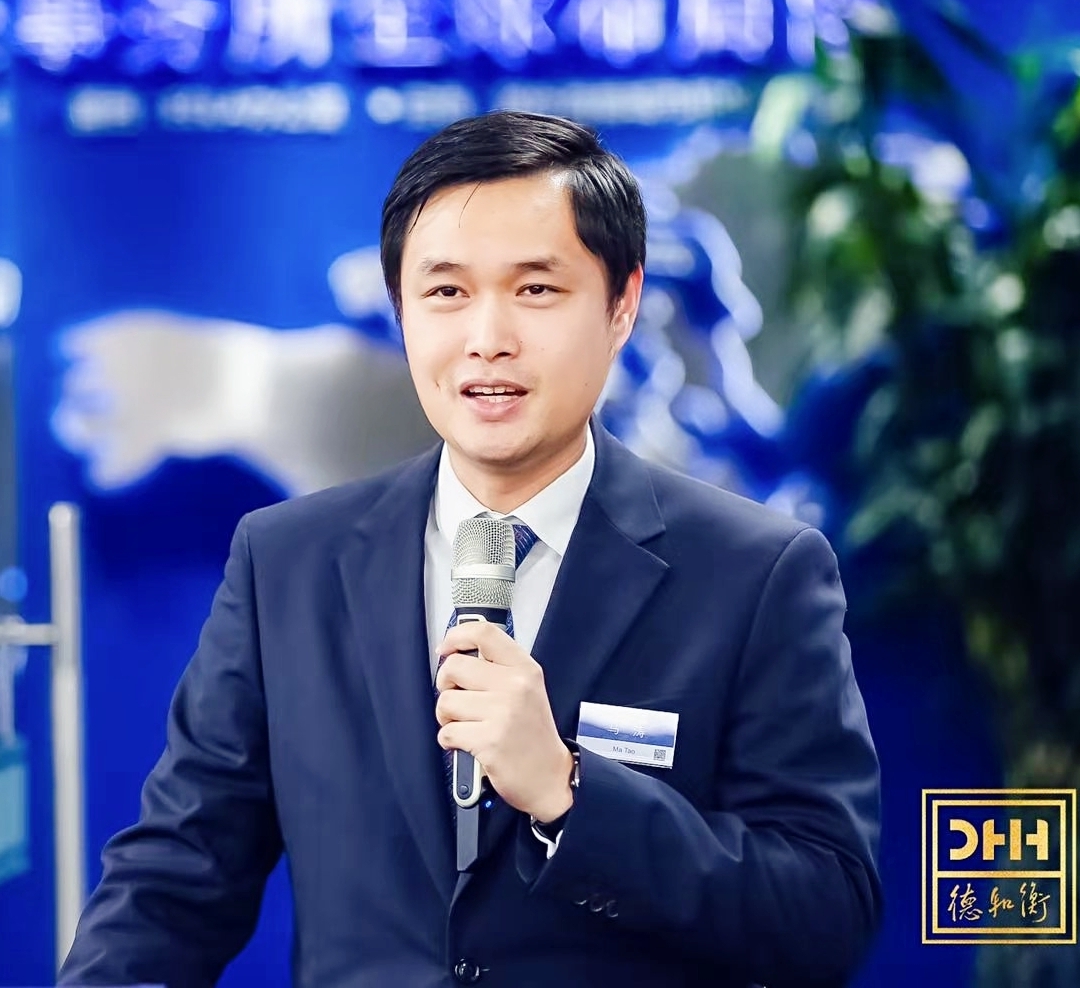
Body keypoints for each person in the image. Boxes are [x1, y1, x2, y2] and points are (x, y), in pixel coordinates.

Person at [59, 111, 882, 988]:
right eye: (447, 292)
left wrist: (570, 793)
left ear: (622, 305)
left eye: (536, 290)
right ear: (401, 310)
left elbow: (823, 914)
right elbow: (171, 882)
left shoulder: (757, 573)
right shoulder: (286, 564)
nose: (488, 338)